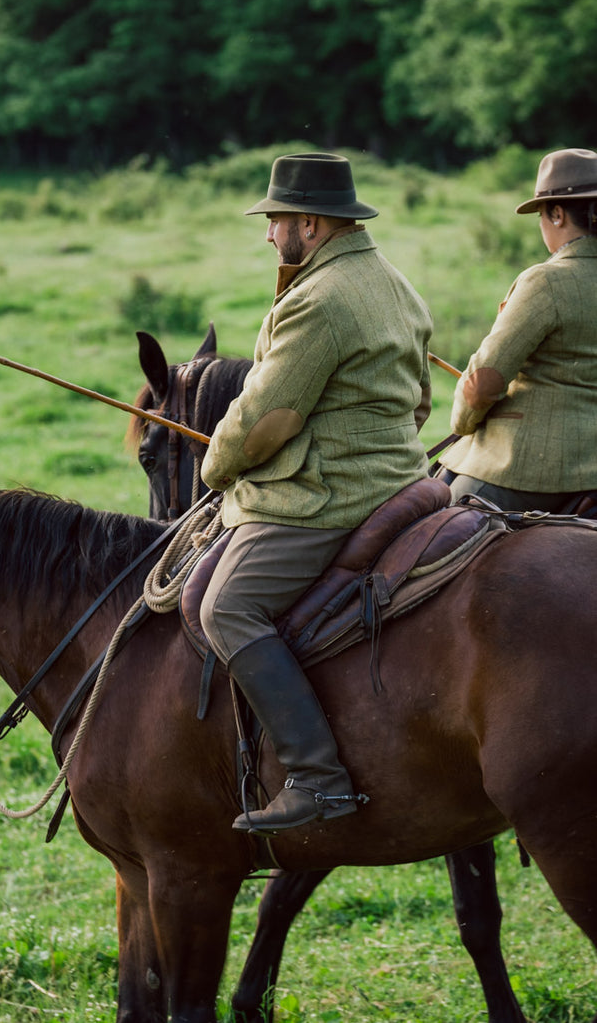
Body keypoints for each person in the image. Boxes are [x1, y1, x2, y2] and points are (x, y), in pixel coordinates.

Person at [198, 152, 433, 835]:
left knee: (228, 607)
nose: (270, 235)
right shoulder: (394, 282)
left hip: (326, 499)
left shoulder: (319, 301)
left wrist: (214, 468)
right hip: (404, 482)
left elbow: (266, 417)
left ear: (309, 221)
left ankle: (318, 778)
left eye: (275, 221)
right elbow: (419, 401)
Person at [440, 148, 597, 511]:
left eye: (542, 215)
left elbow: (484, 383)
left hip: (531, 467)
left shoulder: (546, 281)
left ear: (557, 214)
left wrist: (463, 422)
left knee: (423, 530)